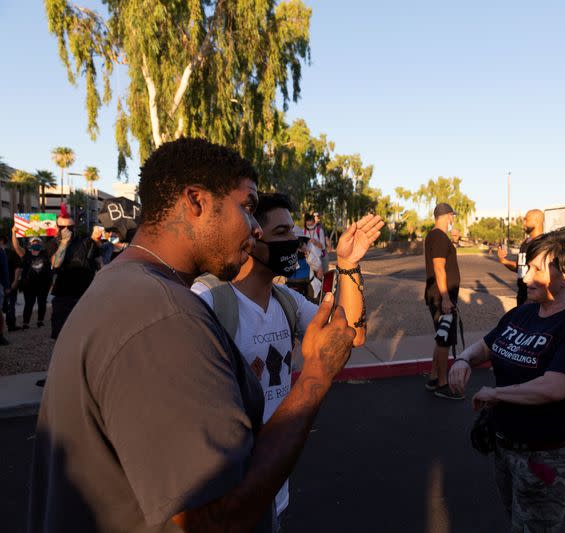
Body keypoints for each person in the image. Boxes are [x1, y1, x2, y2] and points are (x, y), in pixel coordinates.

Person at [29, 138, 357, 532]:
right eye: (247, 207)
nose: (255, 227)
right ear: (196, 201)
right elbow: (217, 518)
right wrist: (317, 377)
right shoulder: (163, 317)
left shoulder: (127, 287)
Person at [192, 193, 382, 529]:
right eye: (282, 233)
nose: (294, 242)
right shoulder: (206, 301)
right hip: (227, 498)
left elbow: (351, 332)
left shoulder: (286, 300)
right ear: (251, 236)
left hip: (273, 486)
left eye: (293, 233)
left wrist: (348, 263)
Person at [448, 228, 565, 532]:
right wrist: (464, 359)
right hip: (505, 448)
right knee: (517, 521)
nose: (525, 278)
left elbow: (554, 387)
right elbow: (489, 344)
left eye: (536, 269)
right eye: (527, 267)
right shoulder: (524, 314)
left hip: (545, 457)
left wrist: (496, 394)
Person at [424, 202, 463, 399]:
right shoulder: (439, 236)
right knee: (444, 340)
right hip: (441, 298)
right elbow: (439, 268)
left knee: (441, 337)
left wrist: (453, 243)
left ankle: (433, 377)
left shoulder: (436, 236)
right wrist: (446, 298)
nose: (452, 220)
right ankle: (442, 383)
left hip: (439, 296)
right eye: (452, 216)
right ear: (448, 216)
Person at [49, 206, 102, 340]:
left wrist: (96, 239)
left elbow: (99, 260)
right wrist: (64, 242)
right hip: (63, 295)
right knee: (61, 334)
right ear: (57, 228)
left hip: (84, 294)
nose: (67, 230)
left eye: (70, 227)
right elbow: (55, 263)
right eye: (63, 227)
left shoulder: (84, 242)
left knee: (84, 334)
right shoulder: (53, 244)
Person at [497, 209, 545, 306]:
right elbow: (519, 268)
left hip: (534, 298)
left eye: (526, 220)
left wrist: (532, 298)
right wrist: (503, 260)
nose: (523, 223)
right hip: (522, 295)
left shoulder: (543, 243)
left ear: (536, 221)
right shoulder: (525, 242)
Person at [10, 234, 53, 329]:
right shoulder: (25, 254)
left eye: (38, 242)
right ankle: (26, 323)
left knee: (42, 303)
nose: (36, 243)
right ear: (30, 244)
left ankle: (40, 321)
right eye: (34, 242)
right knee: (29, 304)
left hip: (43, 284)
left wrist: (51, 282)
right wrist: (14, 232)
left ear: (41, 244)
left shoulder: (45, 253)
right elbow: (16, 246)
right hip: (29, 285)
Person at [1, 234, 22, 332]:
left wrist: (15, 281)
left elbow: (18, 268)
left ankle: (11, 325)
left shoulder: (11, 253)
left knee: (10, 305)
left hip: (9, 284)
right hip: (2, 285)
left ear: (2, 241)